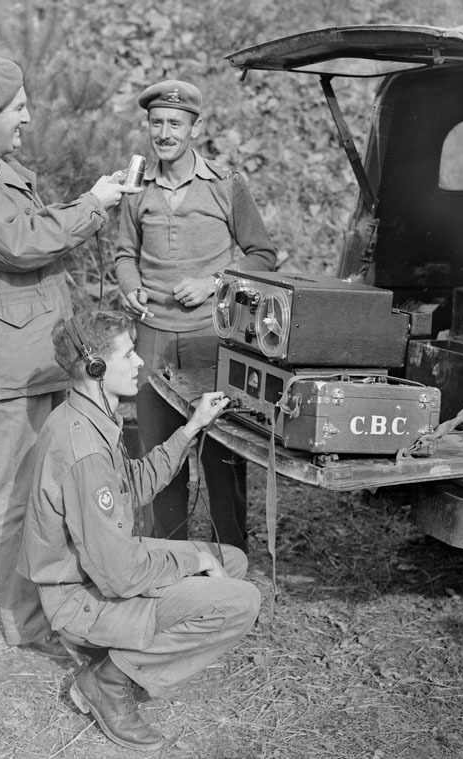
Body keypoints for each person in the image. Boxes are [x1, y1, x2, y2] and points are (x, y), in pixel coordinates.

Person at [0, 57, 139, 656]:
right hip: (4, 361)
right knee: (18, 495)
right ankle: (26, 622)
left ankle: (58, 602)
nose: (28, 118)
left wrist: (95, 202)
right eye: (18, 108)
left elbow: (30, 225)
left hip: (33, 350)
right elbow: (21, 242)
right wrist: (93, 203)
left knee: (55, 486)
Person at [17, 308, 261, 752]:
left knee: (233, 560)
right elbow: (120, 574)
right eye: (128, 354)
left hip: (99, 572)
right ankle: (107, 680)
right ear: (95, 367)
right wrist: (193, 560)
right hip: (80, 597)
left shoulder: (93, 416)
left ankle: (122, 656)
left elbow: (135, 485)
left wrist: (190, 429)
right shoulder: (84, 448)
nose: (140, 363)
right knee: (240, 602)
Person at [116, 79, 278, 551]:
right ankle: (168, 558)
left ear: (196, 128)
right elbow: (126, 254)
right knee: (159, 454)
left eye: (175, 124)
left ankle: (233, 558)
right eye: (157, 123)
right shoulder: (135, 187)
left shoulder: (225, 185)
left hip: (213, 342)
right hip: (153, 342)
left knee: (223, 456)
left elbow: (263, 255)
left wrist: (214, 282)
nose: (165, 133)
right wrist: (130, 287)